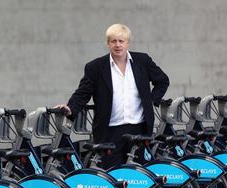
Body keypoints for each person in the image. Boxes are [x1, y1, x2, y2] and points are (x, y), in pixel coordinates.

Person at [57, 23, 169, 169]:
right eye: (113, 41)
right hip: (109, 131)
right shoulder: (95, 67)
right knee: (111, 175)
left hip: (139, 130)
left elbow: (162, 81)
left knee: (139, 176)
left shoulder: (142, 61)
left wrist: (151, 101)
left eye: (121, 41)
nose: (117, 45)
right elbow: (83, 93)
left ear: (127, 43)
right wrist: (70, 107)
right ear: (108, 43)